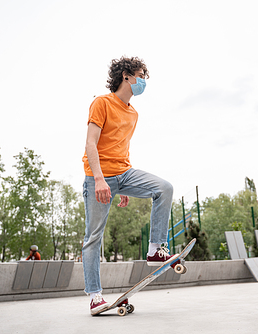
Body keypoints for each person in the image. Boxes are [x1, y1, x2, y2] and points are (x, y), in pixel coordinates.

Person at [82, 56, 176, 316]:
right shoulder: (101, 103)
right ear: (126, 75)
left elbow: (121, 149)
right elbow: (91, 144)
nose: (143, 81)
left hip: (124, 173)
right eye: (141, 75)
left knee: (164, 188)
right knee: (94, 237)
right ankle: (95, 296)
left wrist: (122, 187)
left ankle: (156, 249)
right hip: (98, 177)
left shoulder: (133, 113)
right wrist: (101, 180)